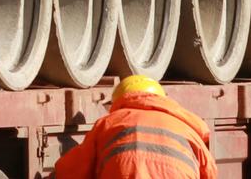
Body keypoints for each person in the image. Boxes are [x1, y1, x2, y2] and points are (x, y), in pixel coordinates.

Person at [50, 77, 216, 179]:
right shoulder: (188, 130)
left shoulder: (109, 124)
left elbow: (73, 170)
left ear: (118, 101)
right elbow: (209, 173)